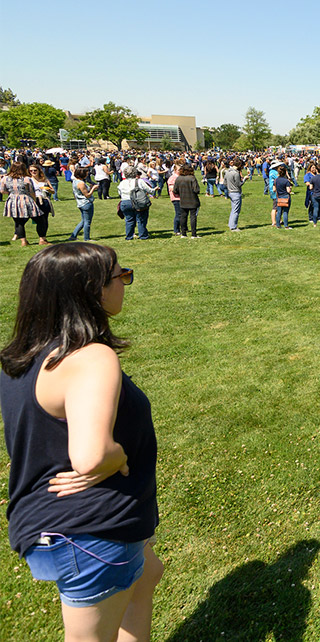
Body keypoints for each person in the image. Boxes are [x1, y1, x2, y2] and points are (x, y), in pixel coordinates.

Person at [0, 243, 163, 642]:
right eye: (120, 275)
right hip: (90, 528)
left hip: (60, 518)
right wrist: (117, 456)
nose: (126, 281)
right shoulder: (91, 357)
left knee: (146, 576)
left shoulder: (24, 356)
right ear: (91, 290)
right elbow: (90, 457)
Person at [2, 161, 46, 246]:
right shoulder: (26, 179)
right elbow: (31, 191)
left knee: (19, 222)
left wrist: (11, 193)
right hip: (25, 199)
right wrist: (34, 201)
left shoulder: (5, 178)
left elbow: (2, 190)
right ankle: (42, 239)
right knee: (40, 220)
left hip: (12, 200)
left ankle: (23, 241)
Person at [68, 166, 97, 241]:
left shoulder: (75, 181)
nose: (87, 174)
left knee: (83, 221)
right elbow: (87, 195)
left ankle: (73, 236)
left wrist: (89, 188)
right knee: (87, 222)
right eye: (86, 173)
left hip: (80, 203)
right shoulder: (81, 183)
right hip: (86, 203)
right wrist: (93, 188)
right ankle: (86, 238)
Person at [173, 164, 201, 239]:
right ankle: (193, 234)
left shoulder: (178, 178)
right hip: (193, 200)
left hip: (183, 200)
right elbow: (196, 190)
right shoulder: (192, 178)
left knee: (183, 217)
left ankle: (183, 233)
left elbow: (175, 190)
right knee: (193, 217)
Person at [223, 159, 246, 231]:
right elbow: (239, 184)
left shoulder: (227, 172)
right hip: (236, 192)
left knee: (233, 209)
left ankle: (231, 224)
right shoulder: (236, 173)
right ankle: (233, 227)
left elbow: (224, 182)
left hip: (230, 192)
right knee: (236, 211)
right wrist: (244, 179)